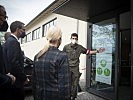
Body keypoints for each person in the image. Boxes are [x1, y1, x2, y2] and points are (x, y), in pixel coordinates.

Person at [32, 26, 71, 100]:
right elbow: (64, 86)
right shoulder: (61, 56)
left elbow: (34, 83)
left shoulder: (37, 56)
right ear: (59, 39)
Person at [63, 33, 105, 100]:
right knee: (68, 83)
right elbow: (63, 57)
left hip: (75, 68)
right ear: (70, 39)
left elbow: (88, 52)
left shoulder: (80, 47)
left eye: (76, 39)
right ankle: (67, 97)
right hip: (67, 68)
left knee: (75, 84)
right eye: (73, 38)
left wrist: (97, 51)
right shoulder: (66, 47)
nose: (74, 40)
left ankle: (73, 97)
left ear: (77, 39)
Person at [3, 21, 28, 100]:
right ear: (17, 30)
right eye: (23, 30)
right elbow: (14, 63)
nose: (24, 32)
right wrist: (24, 78)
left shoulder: (10, 41)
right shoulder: (13, 42)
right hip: (16, 83)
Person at [0, 5, 16, 100]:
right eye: (3, 16)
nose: (4, 20)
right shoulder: (13, 42)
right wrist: (8, 78)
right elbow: (14, 61)